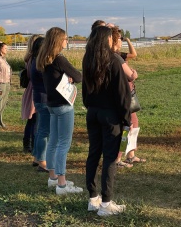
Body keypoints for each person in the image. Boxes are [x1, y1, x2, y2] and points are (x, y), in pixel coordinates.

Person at [82, 26, 131, 216]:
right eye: (111, 38)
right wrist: (126, 119)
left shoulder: (88, 60)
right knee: (110, 158)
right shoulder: (113, 61)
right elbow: (122, 94)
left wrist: (91, 106)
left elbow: (85, 90)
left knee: (93, 154)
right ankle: (106, 203)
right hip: (110, 115)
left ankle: (92, 198)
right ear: (106, 40)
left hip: (93, 112)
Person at [36, 27, 83, 195]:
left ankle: (53, 177)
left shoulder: (44, 59)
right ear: (58, 41)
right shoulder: (59, 59)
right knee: (64, 143)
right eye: (65, 39)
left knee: (53, 141)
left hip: (51, 105)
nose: (67, 42)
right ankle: (62, 184)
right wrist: (71, 78)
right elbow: (78, 76)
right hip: (63, 105)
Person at [109, 26, 145, 167]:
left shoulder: (116, 55)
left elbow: (133, 55)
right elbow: (130, 75)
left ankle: (130, 154)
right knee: (128, 126)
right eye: (119, 39)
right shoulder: (116, 57)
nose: (120, 41)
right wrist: (133, 74)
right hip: (124, 96)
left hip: (126, 94)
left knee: (133, 125)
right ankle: (118, 158)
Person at [30, 36, 50, 172]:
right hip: (44, 99)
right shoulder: (40, 63)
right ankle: (43, 161)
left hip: (38, 98)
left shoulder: (33, 60)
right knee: (45, 131)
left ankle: (37, 157)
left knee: (41, 129)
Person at [21, 35, 40, 153]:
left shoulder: (29, 58)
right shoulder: (35, 58)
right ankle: (32, 145)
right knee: (36, 119)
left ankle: (27, 144)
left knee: (32, 119)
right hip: (35, 89)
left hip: (30, 88)